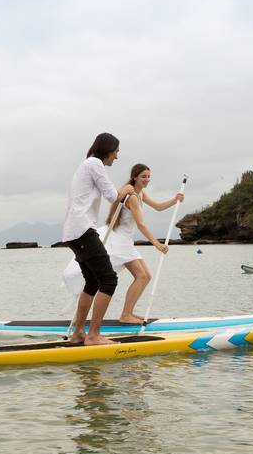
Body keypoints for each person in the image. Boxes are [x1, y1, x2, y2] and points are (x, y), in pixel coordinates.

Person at [61, 132, 132, 345]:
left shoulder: (86, 164)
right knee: (109, 279)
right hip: (82, 229)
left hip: (73, 231)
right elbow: (112, 195)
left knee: (92, 281)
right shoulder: (94, 163)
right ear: (108, 149)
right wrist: (126, 189)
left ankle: (78, 334)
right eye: (116, 152)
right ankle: (93, 335)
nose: (117, 157)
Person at [103, 164, 184, 324]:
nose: (147, 179)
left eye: (148, 176)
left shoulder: (140, 194)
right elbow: (141, 225)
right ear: (135, 177)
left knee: (145, 276)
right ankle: (126, 315)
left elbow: (158, 207)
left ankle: (128, 313)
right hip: (119, 242)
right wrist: (157, 244)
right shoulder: (132, 196)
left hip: (126, 242)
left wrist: (175, 200)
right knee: (142, 276)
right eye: (143, 176)